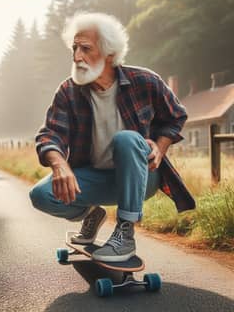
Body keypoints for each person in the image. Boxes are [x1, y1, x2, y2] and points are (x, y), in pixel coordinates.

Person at [29, 13, 195, 262]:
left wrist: (160, 148)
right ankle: (91, 213)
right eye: (74, 48)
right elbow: (50, 134)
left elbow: (176, 117)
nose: (76, 57)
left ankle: (125, 233)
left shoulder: (145, 81)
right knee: (40, 195)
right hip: (96, 177)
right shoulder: (68, 91)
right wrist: (60, 165)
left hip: (141, 177)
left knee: (126, 139)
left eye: (85, 48)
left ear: (109, 52)